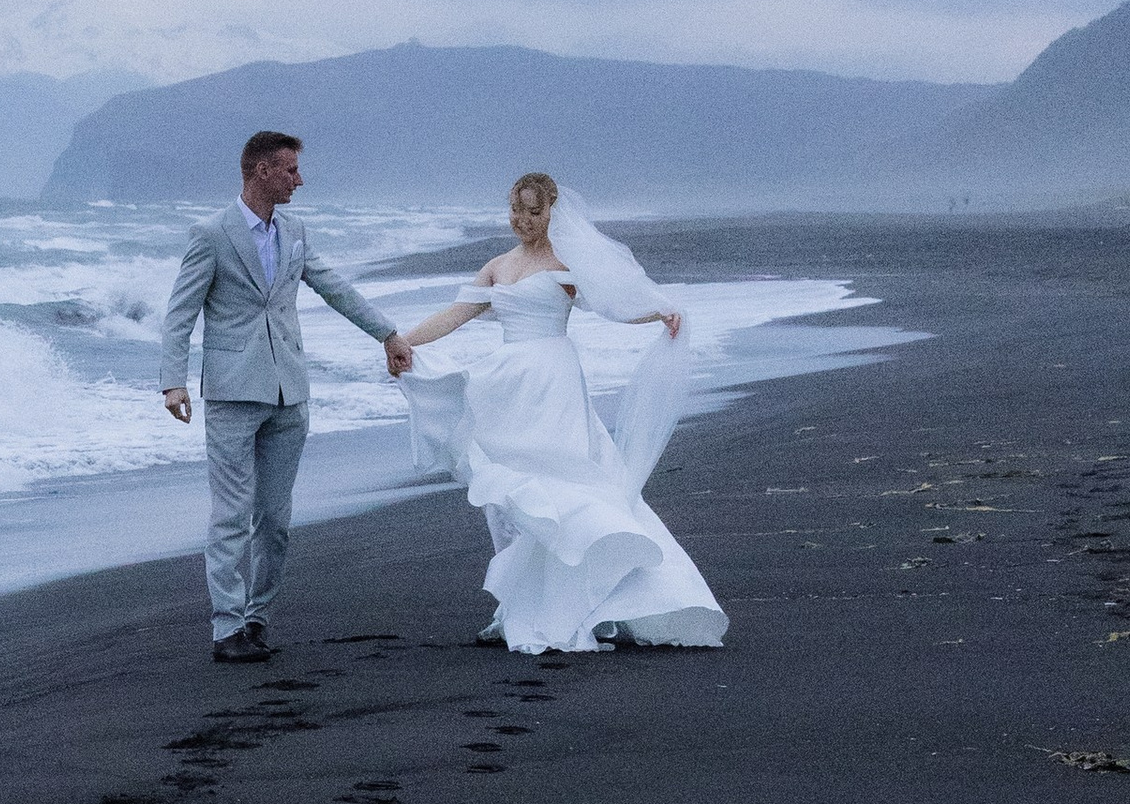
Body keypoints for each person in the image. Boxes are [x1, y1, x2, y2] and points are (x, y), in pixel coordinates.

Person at [392, 173, 725, 655]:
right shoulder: (497, 266)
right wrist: (402, 342)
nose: (522, 220)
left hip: (553, 383)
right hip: (506, 384)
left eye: (533, 211)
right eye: (515, 210)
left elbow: (614, 301)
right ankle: (515, 607)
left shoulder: (566, 261)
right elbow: (454, 314)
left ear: (552, 211)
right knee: (508, 496)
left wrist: (658, 312)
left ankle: (582, 603)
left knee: (566, 488)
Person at [160, 130, 410, 661]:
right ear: (260, 172)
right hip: (231, 392)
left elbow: (333, 285)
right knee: (231, 515)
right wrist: (173, 380)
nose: (300, 179)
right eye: (291, 170)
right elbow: (180, 313)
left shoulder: (295, 229)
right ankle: (226, 628)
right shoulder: (211, 233)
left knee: (274, 520)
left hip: (289, 392)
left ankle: (257, 618)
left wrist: (388, 334)